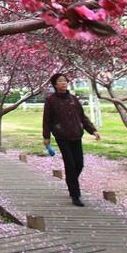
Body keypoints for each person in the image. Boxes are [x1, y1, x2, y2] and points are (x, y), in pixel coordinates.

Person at [42, 72, 101, 206]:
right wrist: (46, 136)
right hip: (62, 136)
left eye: (65, 81)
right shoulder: (51, 100)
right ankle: (75, 195)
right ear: (55, 85)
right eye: (60, 81)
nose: (63, 83)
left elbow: (82, 117)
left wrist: (93, 130)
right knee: (70, 164)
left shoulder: (73, 99)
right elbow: (47, 120)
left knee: (79, 164)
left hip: (76, 134)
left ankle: (71, 182)